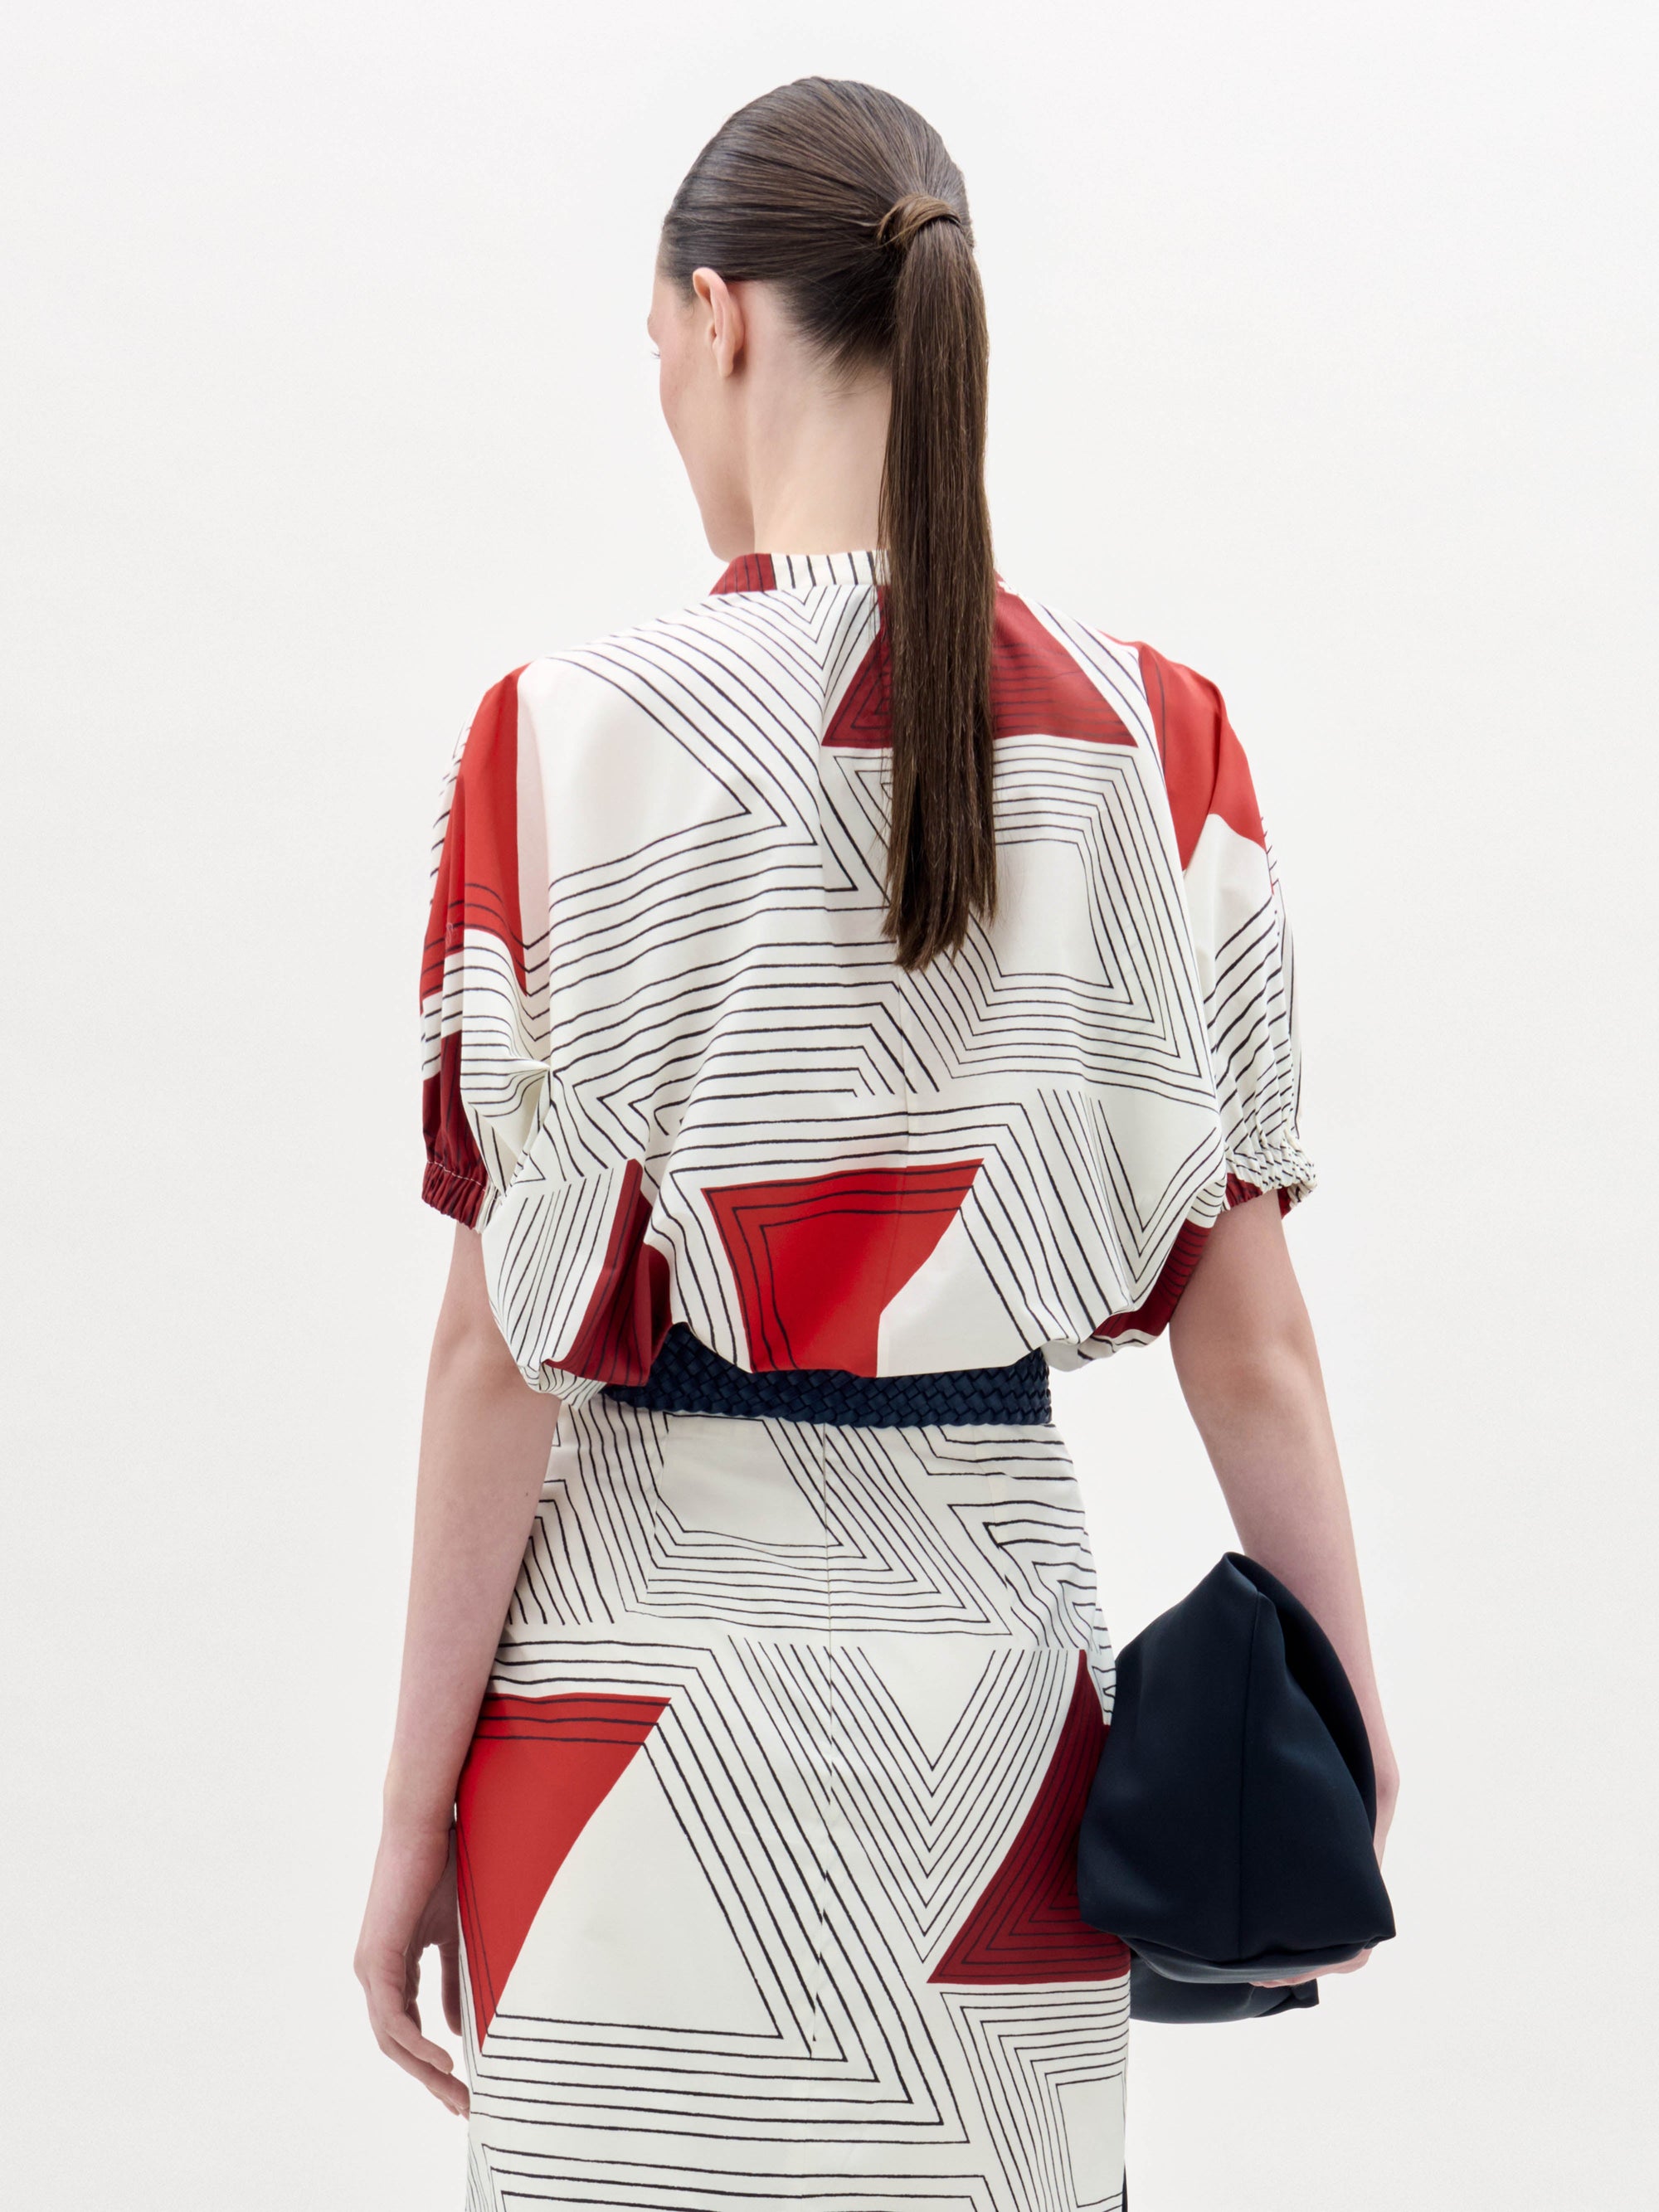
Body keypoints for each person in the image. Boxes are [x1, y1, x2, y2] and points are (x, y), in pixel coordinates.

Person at [355, 75, 1398, 2210]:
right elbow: (1253, 1345)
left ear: (720, 317)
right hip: (982, 1724)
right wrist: (1344, 1731)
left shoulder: (551, 739)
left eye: (655, 346)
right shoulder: (1152, 739)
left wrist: (403, 1819)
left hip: (621, 1721)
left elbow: (495, 1356)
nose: (662, 392)